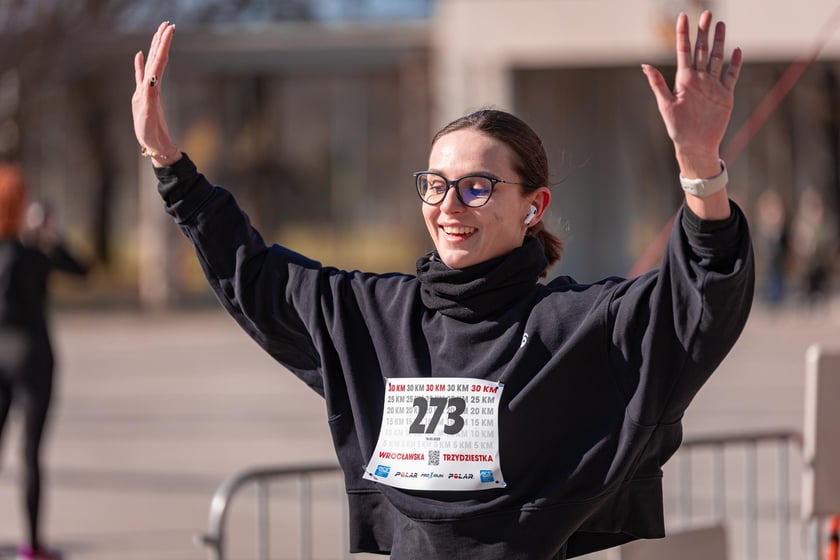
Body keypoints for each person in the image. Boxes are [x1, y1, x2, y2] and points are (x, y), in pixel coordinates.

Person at [131, 11, 754, 559]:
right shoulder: (376, 317)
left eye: (477, 186)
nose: (449, 205)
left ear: (532, 207)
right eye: (435, 184)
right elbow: (256, 277)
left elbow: (699, 301)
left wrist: (700, 168)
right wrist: (168, 162)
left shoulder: (578, 325)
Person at [0, 168, 88, 560]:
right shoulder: (32, 254)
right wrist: (51, 239)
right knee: (31, 454)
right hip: (32, 356)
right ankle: (32, 545)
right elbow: (81, 271)